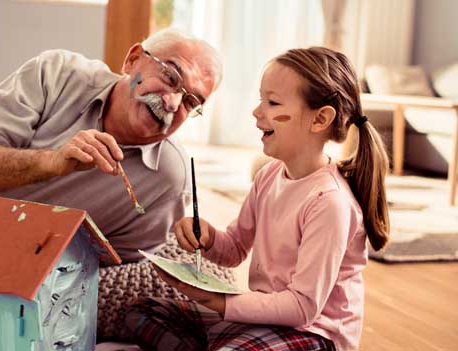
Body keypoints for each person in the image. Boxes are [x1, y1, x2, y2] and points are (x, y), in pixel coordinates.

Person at [125, 47, 390, 351]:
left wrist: (222, 303)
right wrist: (208, 238)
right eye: (261, 99)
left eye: (273, 102)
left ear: (320, 120)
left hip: (314, 334)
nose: (256, 111)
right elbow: (235, 248)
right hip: (264, 322)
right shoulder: (269, 176)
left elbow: (302, 307)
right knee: (142, 311)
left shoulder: (329, 202)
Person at [0, 29, 222, 263]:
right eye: (170, 76)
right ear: (133, 60)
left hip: (25, 278)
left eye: (190, 101)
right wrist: (52, 162)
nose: (172, 103)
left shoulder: (171, 178)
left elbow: (116, 268)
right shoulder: (56, 74)